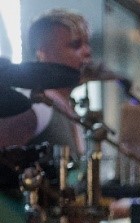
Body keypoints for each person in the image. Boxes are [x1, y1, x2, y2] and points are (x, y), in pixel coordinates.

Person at [0, 9, 91, 153]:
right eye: (75, 45)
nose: (87, 51)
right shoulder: (40, 106)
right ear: (43, 53)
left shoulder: (62, 106)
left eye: (87, 43)